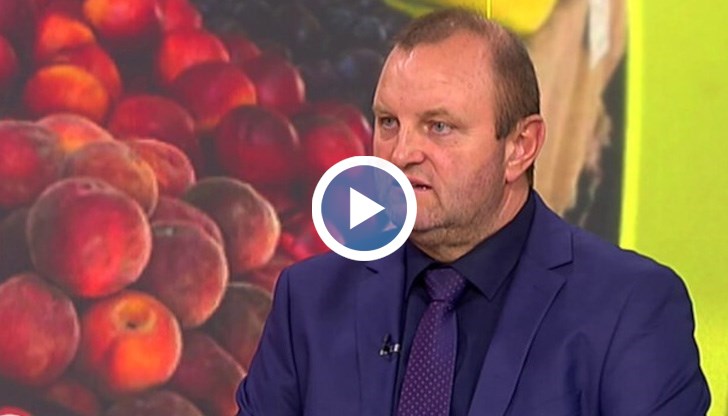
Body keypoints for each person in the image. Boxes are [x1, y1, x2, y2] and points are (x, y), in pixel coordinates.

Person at [236, 8, 710, 415]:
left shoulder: (631, 308)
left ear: (520, 147)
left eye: (438, 126)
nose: (400, 153)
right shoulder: (309, 299)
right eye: (388, 123)